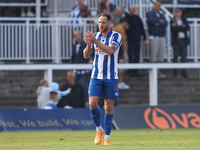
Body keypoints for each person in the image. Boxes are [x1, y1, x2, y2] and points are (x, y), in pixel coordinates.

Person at [83, 13, 122, 145]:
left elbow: (110, 51)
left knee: (108, 106)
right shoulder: (96, 36)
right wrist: (88, 45)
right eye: (99, 22)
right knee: (92, 103)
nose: (101, 25)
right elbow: (86, 55)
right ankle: (99, 129)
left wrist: (94, 41)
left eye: (103, 22)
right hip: (96, 76)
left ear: (109, 24)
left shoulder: (116, 36)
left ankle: (108, 136)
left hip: (111, 77)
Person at [146, 1, 168, 78]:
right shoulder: (150, 14)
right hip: (154, 37)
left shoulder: (162, 15)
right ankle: (152, 72)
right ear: (154, 6)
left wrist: (158, 23)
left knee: (160, 56)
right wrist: (159, 22)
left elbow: (165, 23)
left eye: (159, 6)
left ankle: (158, 72)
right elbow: (151, 21)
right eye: (157, 5)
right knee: (153, 55)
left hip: (161, 36)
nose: (158, 7)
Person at [125, 4, 147, 77]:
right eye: (133, 9)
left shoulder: (138, 18)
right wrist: (134, 15)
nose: (135, 10)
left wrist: (144, 38)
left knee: (137, 56)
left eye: (135, 9)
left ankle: (136, 71)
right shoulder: (128, 17)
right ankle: (130, 71)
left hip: (138, 39)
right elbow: (131, 24)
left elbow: (141, 27)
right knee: (131, 55)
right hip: (131, 39)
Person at [71, 30, 90, 105]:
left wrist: (90, 60)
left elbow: (90, 54)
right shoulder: (74, 45)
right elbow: (73, 56)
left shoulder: (85, 45)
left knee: (84, 85)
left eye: (75, 36)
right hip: (76, 68)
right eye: (73, 36)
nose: (74, 38)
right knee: (73, 84)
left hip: (83, 69)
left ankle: (86, 101)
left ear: (80, 36)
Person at [170, 8, 189, 78]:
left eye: (178, 12)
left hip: (183, 40)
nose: (177, 13)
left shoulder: (184, 19)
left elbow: (187, 28)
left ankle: (183, 71)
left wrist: (178, 27)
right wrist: (181, 27)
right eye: (176, 12)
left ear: (181, 12)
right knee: (175, 57)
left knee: (184, 56)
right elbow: (173, 29)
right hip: (176, 40)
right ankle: (175, 72)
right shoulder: (172, 20)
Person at [114, 18, 130, 89]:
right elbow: (123, 41)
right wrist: (125, 51)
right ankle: (116, 79)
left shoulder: (117, 28)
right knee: (125, 66)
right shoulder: (120, 29)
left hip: (118, 50)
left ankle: (120, 82)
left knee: (122, 65)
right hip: (120, 51)